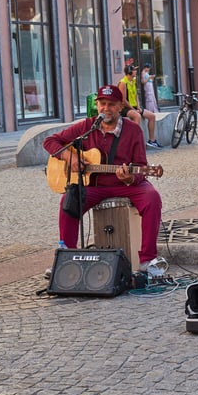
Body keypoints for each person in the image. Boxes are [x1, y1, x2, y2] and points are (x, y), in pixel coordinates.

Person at [43, 84, 164, 274]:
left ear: (119, 107)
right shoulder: (87, 127)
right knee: (69, 201)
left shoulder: (133, 130)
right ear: (97, 105)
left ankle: (147, 260)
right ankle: (66, 257)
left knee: (152, 198)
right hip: (94, 185)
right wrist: (71, 157)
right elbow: (50, 142)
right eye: (102, 103)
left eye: (111, 104)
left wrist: (129, 178)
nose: (105, 108)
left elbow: (141, 166)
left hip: (125, 184)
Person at [118, 65, 161, 148]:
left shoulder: (133, 81)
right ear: (130, 72)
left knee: (152, 116)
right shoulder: (123, 83)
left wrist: (138, 107)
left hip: (134, 107)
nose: (136, 72)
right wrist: (132, 109)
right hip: (125, 108)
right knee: (137, 116)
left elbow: (136, 95)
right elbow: (123, 100)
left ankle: (152, 140)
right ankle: (135, 142)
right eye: (134, 70)